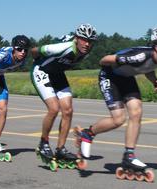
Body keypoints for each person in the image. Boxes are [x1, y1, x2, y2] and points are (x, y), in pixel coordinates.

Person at [74, 27, 157, 181]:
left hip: (127, 78)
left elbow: (148, 67)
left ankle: (129, 155)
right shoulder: (139, 55)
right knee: (118, 119)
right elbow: (103, 60)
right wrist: (121, 59)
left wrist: (154, 81)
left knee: (136, 112)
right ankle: (88, 133)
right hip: (109, 77)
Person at [30, 24, 97, 162]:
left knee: (68, 110)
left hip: (57, 73)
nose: (87, 44)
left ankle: (60, 149)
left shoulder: (86, 52)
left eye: (90, 41)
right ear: (77, 38)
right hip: (42, 70)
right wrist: (35, 59)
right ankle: (43, 143)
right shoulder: (63, 47)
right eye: (84, 39)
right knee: (54, 109)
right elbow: (35, 50)